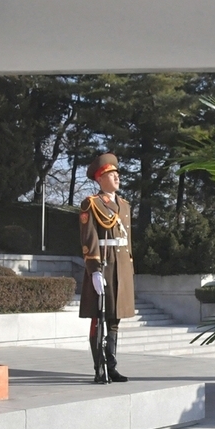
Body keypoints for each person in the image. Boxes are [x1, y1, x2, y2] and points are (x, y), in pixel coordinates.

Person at [78, 153, 135, 384]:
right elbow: (88, 238)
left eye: (117, 174)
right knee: (98, 319)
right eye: (111, 175)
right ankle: (99, 368)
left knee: (114, 320)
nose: (117, 177)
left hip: (120, 266)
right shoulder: (92, 203)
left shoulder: (124, 205)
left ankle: (112, 366)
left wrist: (130, 269)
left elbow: (128, 241)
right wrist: (94, 270)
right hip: (103, 263)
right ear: (100, 179)